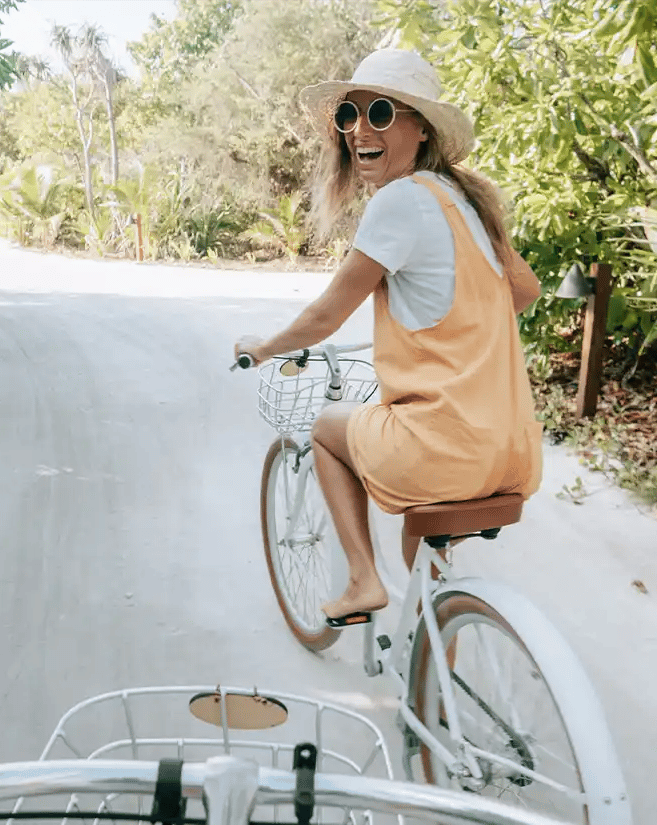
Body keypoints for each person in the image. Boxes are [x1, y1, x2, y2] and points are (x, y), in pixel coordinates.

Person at [234, 49, 544, 628]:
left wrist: (264, 346)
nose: (360, 131)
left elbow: (327, 316)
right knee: (426, 550)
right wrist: (454, 333)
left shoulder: (400, 200)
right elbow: (522, 289)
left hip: (442, 449)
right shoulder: (465, 200)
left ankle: (361, 580)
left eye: (379, 112)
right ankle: (434, 675)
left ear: (420, 126)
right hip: (508, 448)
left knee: (325, 430)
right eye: (348, 117)